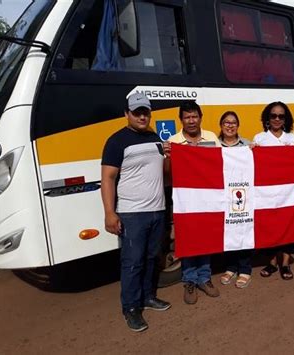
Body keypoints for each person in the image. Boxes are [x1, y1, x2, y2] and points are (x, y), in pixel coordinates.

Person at [101, 92, 171, 332]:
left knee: (152, 258)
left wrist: (169, 157)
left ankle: (147, 297)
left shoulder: (155, 138)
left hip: (157, 210)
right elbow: (108, 179)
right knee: (132, 262)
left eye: (146, 112)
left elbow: (164, 172)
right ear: (127, 114)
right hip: (132, 213)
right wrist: (110, 213)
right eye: (137, 112)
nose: (142, 116)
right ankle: (130, 308)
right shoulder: (117, 141)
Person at [164, 101, 221, 304]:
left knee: (206, 239)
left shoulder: (212, 137)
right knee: (187, 239)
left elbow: (223, 163)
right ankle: (189, 280)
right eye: (187, 117)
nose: (191, 121)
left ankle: (205, 278)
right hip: (184, 199)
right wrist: (169, 156)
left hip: (207, 198)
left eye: (194, 116)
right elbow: (168, 174)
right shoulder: (174, 141)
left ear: (200, 117)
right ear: (181, 120)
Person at [253, 101, 294, 280]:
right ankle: (271, 262)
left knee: (287, 224)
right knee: (269, 226)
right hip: (267, 192)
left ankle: (285, 264)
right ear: (267, 118)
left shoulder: (292, 138)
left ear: (285, 119)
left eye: (281, 116)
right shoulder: (259, 138)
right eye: (273, 115)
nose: (277, 119)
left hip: (288, 192)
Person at [217, 111, 253, 288]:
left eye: (233, 123)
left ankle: (245, 269)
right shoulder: (214, 145)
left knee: (244, 230)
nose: (230, 126)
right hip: (223, 196)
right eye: (226, 122)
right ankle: (231, 267)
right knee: (228, 232)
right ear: (221, 126)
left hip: (243, 193)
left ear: (238, 126)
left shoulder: (248, 144)